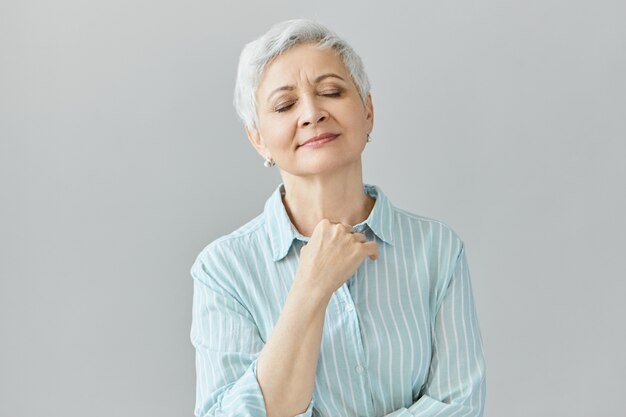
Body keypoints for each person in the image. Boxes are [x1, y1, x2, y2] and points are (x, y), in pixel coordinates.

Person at [190, 18, 486, 417]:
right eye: (284, 105)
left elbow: (460, 407)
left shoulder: (437, 250)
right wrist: (311, 287)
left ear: (367, 110)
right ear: (257, 137)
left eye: (331, 91)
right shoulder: (223, 270)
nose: (312, 113)